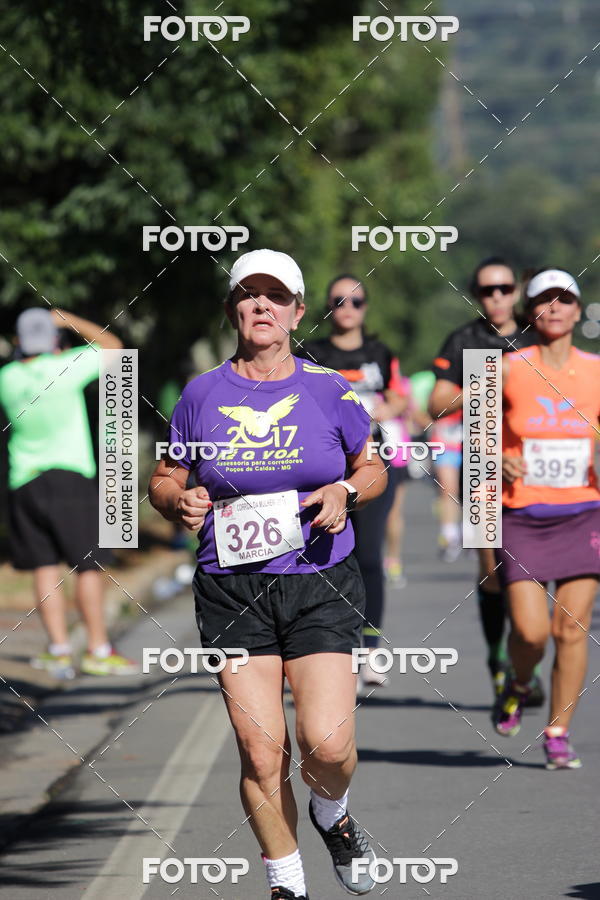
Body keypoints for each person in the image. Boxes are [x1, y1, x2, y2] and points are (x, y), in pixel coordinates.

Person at [149, 249, 386, 900]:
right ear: (232, 309)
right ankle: (287, 883)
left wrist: (344, 491)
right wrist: (176, 499)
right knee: (260, 750)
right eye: (248, 295)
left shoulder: (329, 389)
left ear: (297, 312)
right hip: (231, 586)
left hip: (320, 579)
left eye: (275, 296)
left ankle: (333, 815)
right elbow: (165, 476)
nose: (261, 305)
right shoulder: (201, 395)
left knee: (326, 746)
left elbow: (373, 466)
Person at [493, 268, 600, 769]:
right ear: (529, 312)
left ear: (578, 311)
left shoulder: (596, 369)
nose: (554, 308)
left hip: (584, 512)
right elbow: (471, 436)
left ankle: (558, 732)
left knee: (571, 630)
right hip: (522, 515)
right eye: (544, 300)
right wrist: (497, 458)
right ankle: (518, 682)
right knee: (531, 633)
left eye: (565, 299)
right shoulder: (504, 368)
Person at [428, 256, 543, 701]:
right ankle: (499, 659)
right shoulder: (465, 339)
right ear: (476, 295)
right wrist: (487, 380)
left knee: (532, 571)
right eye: (486, 290)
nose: (496, 297)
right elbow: (436, 402)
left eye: (504, 289)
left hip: (535, 463)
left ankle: (525, 662)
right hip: (482, 464)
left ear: (516, 291)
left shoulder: (536, 335)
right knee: (493, 571)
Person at [0, 308, 138, 679]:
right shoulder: (65, 368)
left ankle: (59, 650)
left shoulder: (7, 378)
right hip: (70, 480)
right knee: (88, 566)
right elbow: (113, 346)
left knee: (44, 567)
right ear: (54, 341)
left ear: (17, 341)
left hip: (24, 481)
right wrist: (67, 319)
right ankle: (98, 649)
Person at [301, 275, 406, 688]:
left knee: (368, 557)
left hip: (372, 465)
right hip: (325, 468)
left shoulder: (380, 352)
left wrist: (376, 411)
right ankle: (328, 650)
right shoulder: (312, 352)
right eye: (339, 301)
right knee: (322, 557)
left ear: (366, 307)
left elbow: (399, 397)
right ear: (328, 307)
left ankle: (371, 649)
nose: (347, 308)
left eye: (356, 301)